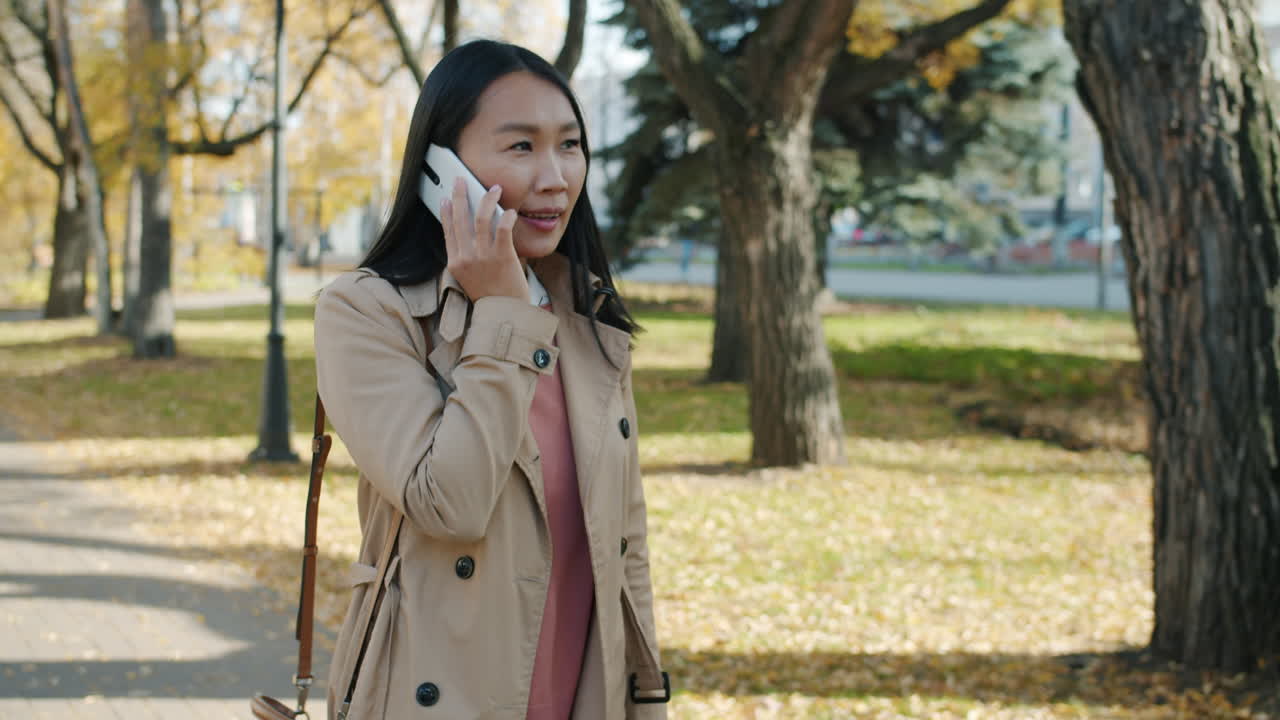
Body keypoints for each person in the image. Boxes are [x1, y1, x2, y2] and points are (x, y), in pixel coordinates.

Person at [313, 40, 669, 720]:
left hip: (583, 693)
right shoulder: (368, 313)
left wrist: (646, 703)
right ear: (442, 171)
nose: (556, 176)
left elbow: (627, 548)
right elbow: (452, 502)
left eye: (570, 145)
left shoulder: (587, 317)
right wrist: (504, 313)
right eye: (520, 148)